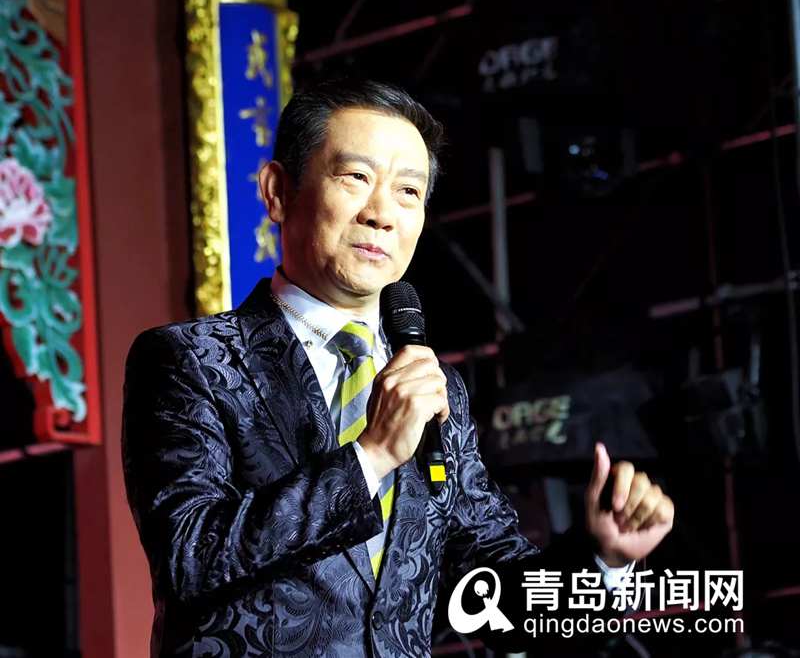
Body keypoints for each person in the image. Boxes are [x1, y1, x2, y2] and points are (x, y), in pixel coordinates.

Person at [122, 79, 674, 657]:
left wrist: (604, 561)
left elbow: (486, 593)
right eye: (355, 177)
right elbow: (189, 556)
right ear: (278, 191)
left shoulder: (432, 387)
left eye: (408, 191)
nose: (382, 214)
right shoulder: (191, 359)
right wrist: (372, 456)